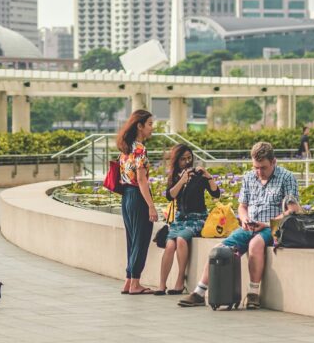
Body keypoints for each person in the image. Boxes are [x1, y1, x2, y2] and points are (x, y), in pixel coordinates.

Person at [179, 141, 300, 309]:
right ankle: (199, 292)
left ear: (273, 162)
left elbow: (293, 210)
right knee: (219, 250)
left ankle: (253, 294)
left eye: (263, 168)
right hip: (249, 225)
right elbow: (242, 206)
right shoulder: (250, 176)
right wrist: (244, 219)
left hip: (272, 227)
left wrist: (264, 224)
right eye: (256, 167)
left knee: (255, 244)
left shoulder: (287, 177)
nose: (259, 172)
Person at [156, 143, 220, 296]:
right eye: (183, 159)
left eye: (189, 158)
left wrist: (207, 175)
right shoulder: (175, 176)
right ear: (177, 160)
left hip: (197, 218)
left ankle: (180, 282)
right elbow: (170, 195)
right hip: (180, 218)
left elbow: (216, 194)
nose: (187, 162)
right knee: (170, 245)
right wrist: (182, 180)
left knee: (181, 239)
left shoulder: (199, 175)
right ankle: (161, 285)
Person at [116, 109, 158, 295]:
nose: (152, 128)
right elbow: (142, 180)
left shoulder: (126, 148)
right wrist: (151, 205)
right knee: (141, 240)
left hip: (126, 197)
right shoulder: (140, 149)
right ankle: (135, 284)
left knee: (131, 240)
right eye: (149, 124)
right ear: (140, 126)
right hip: (138, 196)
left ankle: (128, 281)